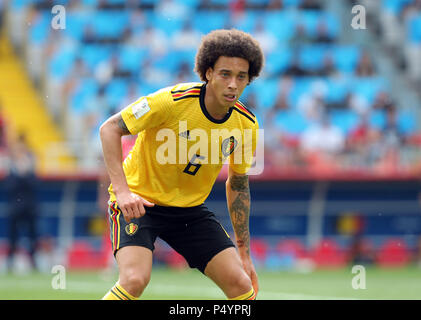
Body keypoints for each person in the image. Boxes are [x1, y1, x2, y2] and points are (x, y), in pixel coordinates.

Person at [99, 29, 263, 300]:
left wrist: (244, 254)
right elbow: (109, 129)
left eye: (241, 77)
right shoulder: (171, 102)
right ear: (208, 72)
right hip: (141, 205)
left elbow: (238, 184)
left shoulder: (246, 124)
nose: (233, 84)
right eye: (225, 74)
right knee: (134, 280)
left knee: (241, 286)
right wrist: (124, 192)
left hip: (189, 212)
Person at [5, 133, 39, 272]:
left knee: (32, 236)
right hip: (16, 208)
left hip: (29, 207)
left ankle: (33, 260)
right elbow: (9, 188)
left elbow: (35, 186)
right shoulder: (12, 170)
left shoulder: (30, 170)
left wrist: (25, 173)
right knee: (13, 236)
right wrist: (19, 174)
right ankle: (10, 262)